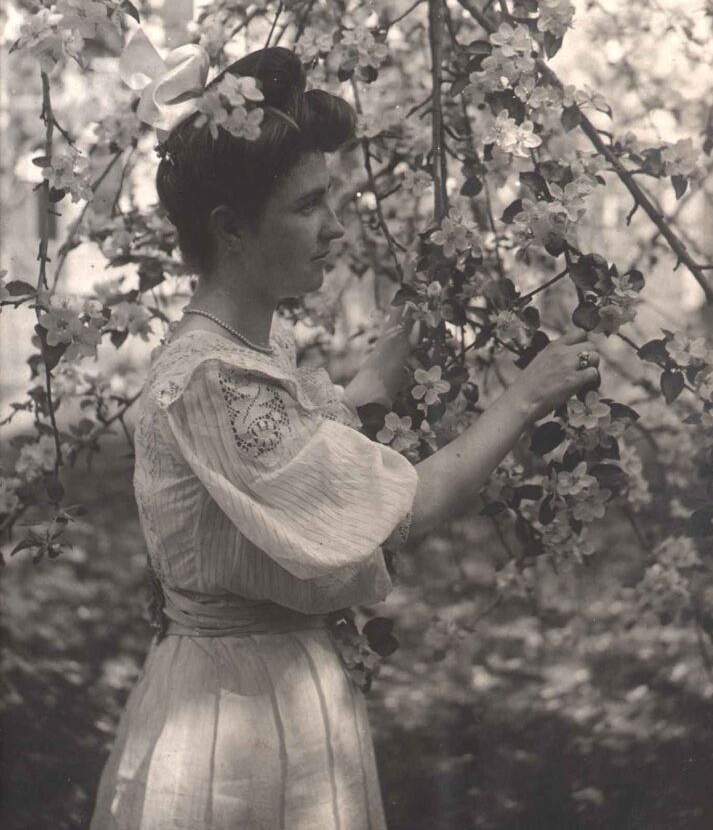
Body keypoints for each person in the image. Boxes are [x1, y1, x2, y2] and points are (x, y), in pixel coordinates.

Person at [90, 46, 600, 830]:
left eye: (331, 201)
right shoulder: (210, 383)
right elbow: (412, 508)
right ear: (230, 227)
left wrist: (387, 361)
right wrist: (527, 396)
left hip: (280, 689)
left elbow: (309, 441)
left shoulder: (251, 355)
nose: (335, 230)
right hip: (234, 718)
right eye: (306, 208)